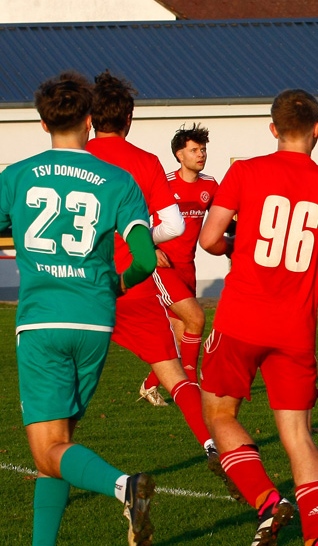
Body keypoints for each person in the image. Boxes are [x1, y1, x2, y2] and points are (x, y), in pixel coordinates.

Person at [200, 89, 318, 546]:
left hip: (241, 317)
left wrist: (234, 247)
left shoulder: (244, 171)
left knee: (219, 413)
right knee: (299, 435)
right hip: (295, 328)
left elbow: (209, 238)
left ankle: (267, 500)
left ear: (272, 128)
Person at [0, 73, 156, 546]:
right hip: (94, 320)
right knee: (59, 443)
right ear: (90, 121)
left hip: (43, 319)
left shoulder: (18, 175)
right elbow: (146, 259)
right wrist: (116, 284)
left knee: (48, 451)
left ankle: (122, 485)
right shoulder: (118, 179)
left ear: (43, 121)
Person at [85, 72, 228, 491]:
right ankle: (211, 445)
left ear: (89, 118)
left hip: (77, 287)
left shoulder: (73, 156)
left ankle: (80, 474)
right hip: (132, 282)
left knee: (61, 408)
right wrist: (141, 241)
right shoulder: (147, 162)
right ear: (129, 117)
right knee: (176, 374)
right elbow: (170, 224)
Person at [140, 123, 216, 400]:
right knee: (196, 318)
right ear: (179, 155)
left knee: (182, 333)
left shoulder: (210, 186)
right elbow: (134, 222)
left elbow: (225, 216)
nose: (201, 154)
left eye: (203, 149)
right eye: (194, 150)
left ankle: (151, 383)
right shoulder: (165, 184)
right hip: (164, 267)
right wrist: (149, 248)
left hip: (188, 266)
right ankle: (191, 385)